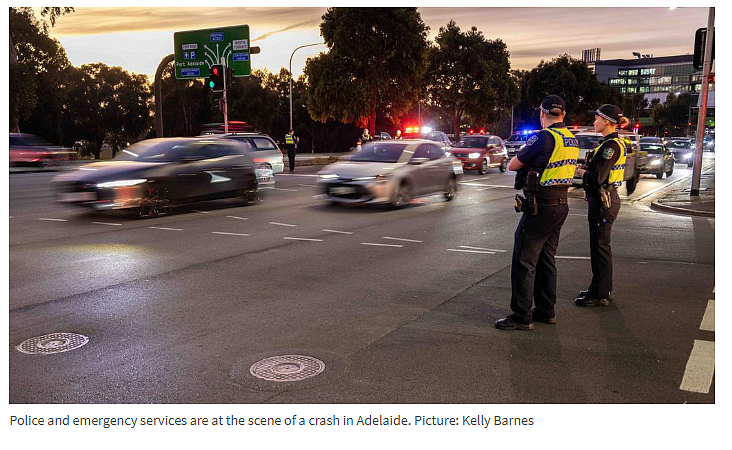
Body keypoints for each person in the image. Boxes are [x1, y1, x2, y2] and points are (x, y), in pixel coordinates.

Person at [495, 95, 579, 331]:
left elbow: (514, 164)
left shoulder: (543, 137)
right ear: (563, 114)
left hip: (540, 204)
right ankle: (546, 310)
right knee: (546, 259)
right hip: (560, 203)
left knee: (524, 259)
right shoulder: (571, 139)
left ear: (543, 114)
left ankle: (521, 315)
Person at [574, 105, 628, 307]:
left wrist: (581, 173)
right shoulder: (608, 143)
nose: (594, 122)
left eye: (596, 118)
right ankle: (598, 288)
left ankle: (601, 294)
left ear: (606, 121)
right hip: (603, 198)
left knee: (600, 247)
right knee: (598, 246)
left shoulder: (611, 146)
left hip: (604, 200)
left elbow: (598, 177)